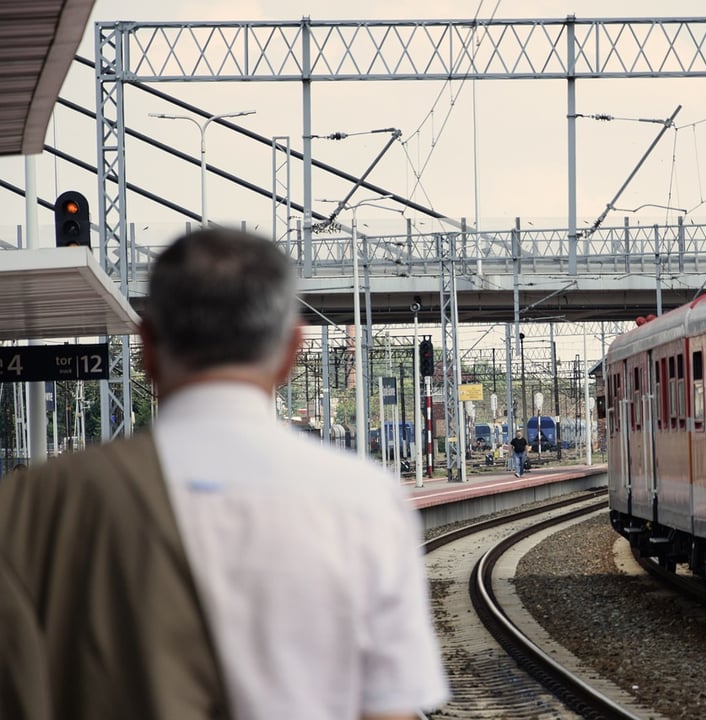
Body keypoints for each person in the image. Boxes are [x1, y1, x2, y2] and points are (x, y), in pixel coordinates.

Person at [0, 228, 449, 720]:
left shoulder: (33, 503)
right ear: (291, 351)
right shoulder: (367, 501)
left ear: (146, 345)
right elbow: (388, 711)